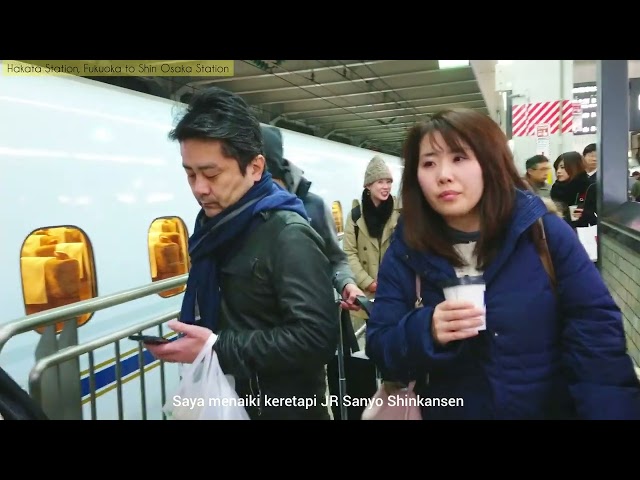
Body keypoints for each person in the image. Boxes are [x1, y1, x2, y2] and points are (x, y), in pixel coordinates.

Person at [365, 108, 640, 420]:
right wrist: (425, 330)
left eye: (459, 158)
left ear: (489, 163)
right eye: (429, 163)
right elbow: (380, 346)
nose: (443, 174)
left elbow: (598, 343)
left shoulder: (543, 234)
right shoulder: (406, 250)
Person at [145, 87, 337, 420]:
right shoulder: (216, 227)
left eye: (211, 174)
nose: (199, 188)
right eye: (190, 174)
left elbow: (317, 338)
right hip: (228, 399)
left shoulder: (287, 235)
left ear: (255, 168)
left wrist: (215, 348)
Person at [260, 125, 365, 311]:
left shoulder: (313, 206)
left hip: (313, 315)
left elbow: (336, 259)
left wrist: (347, 283)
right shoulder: (244, 209)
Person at [343, 156, 400, 330]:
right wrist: (368, 282)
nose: (386, 187)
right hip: (369, 293)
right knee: (374, 336)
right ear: (368, 186)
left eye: (389, 182)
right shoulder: (355, 216)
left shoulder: (400, 212)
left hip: (396, 288)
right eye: (380, 182)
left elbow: (409, 249)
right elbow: (349, 252)